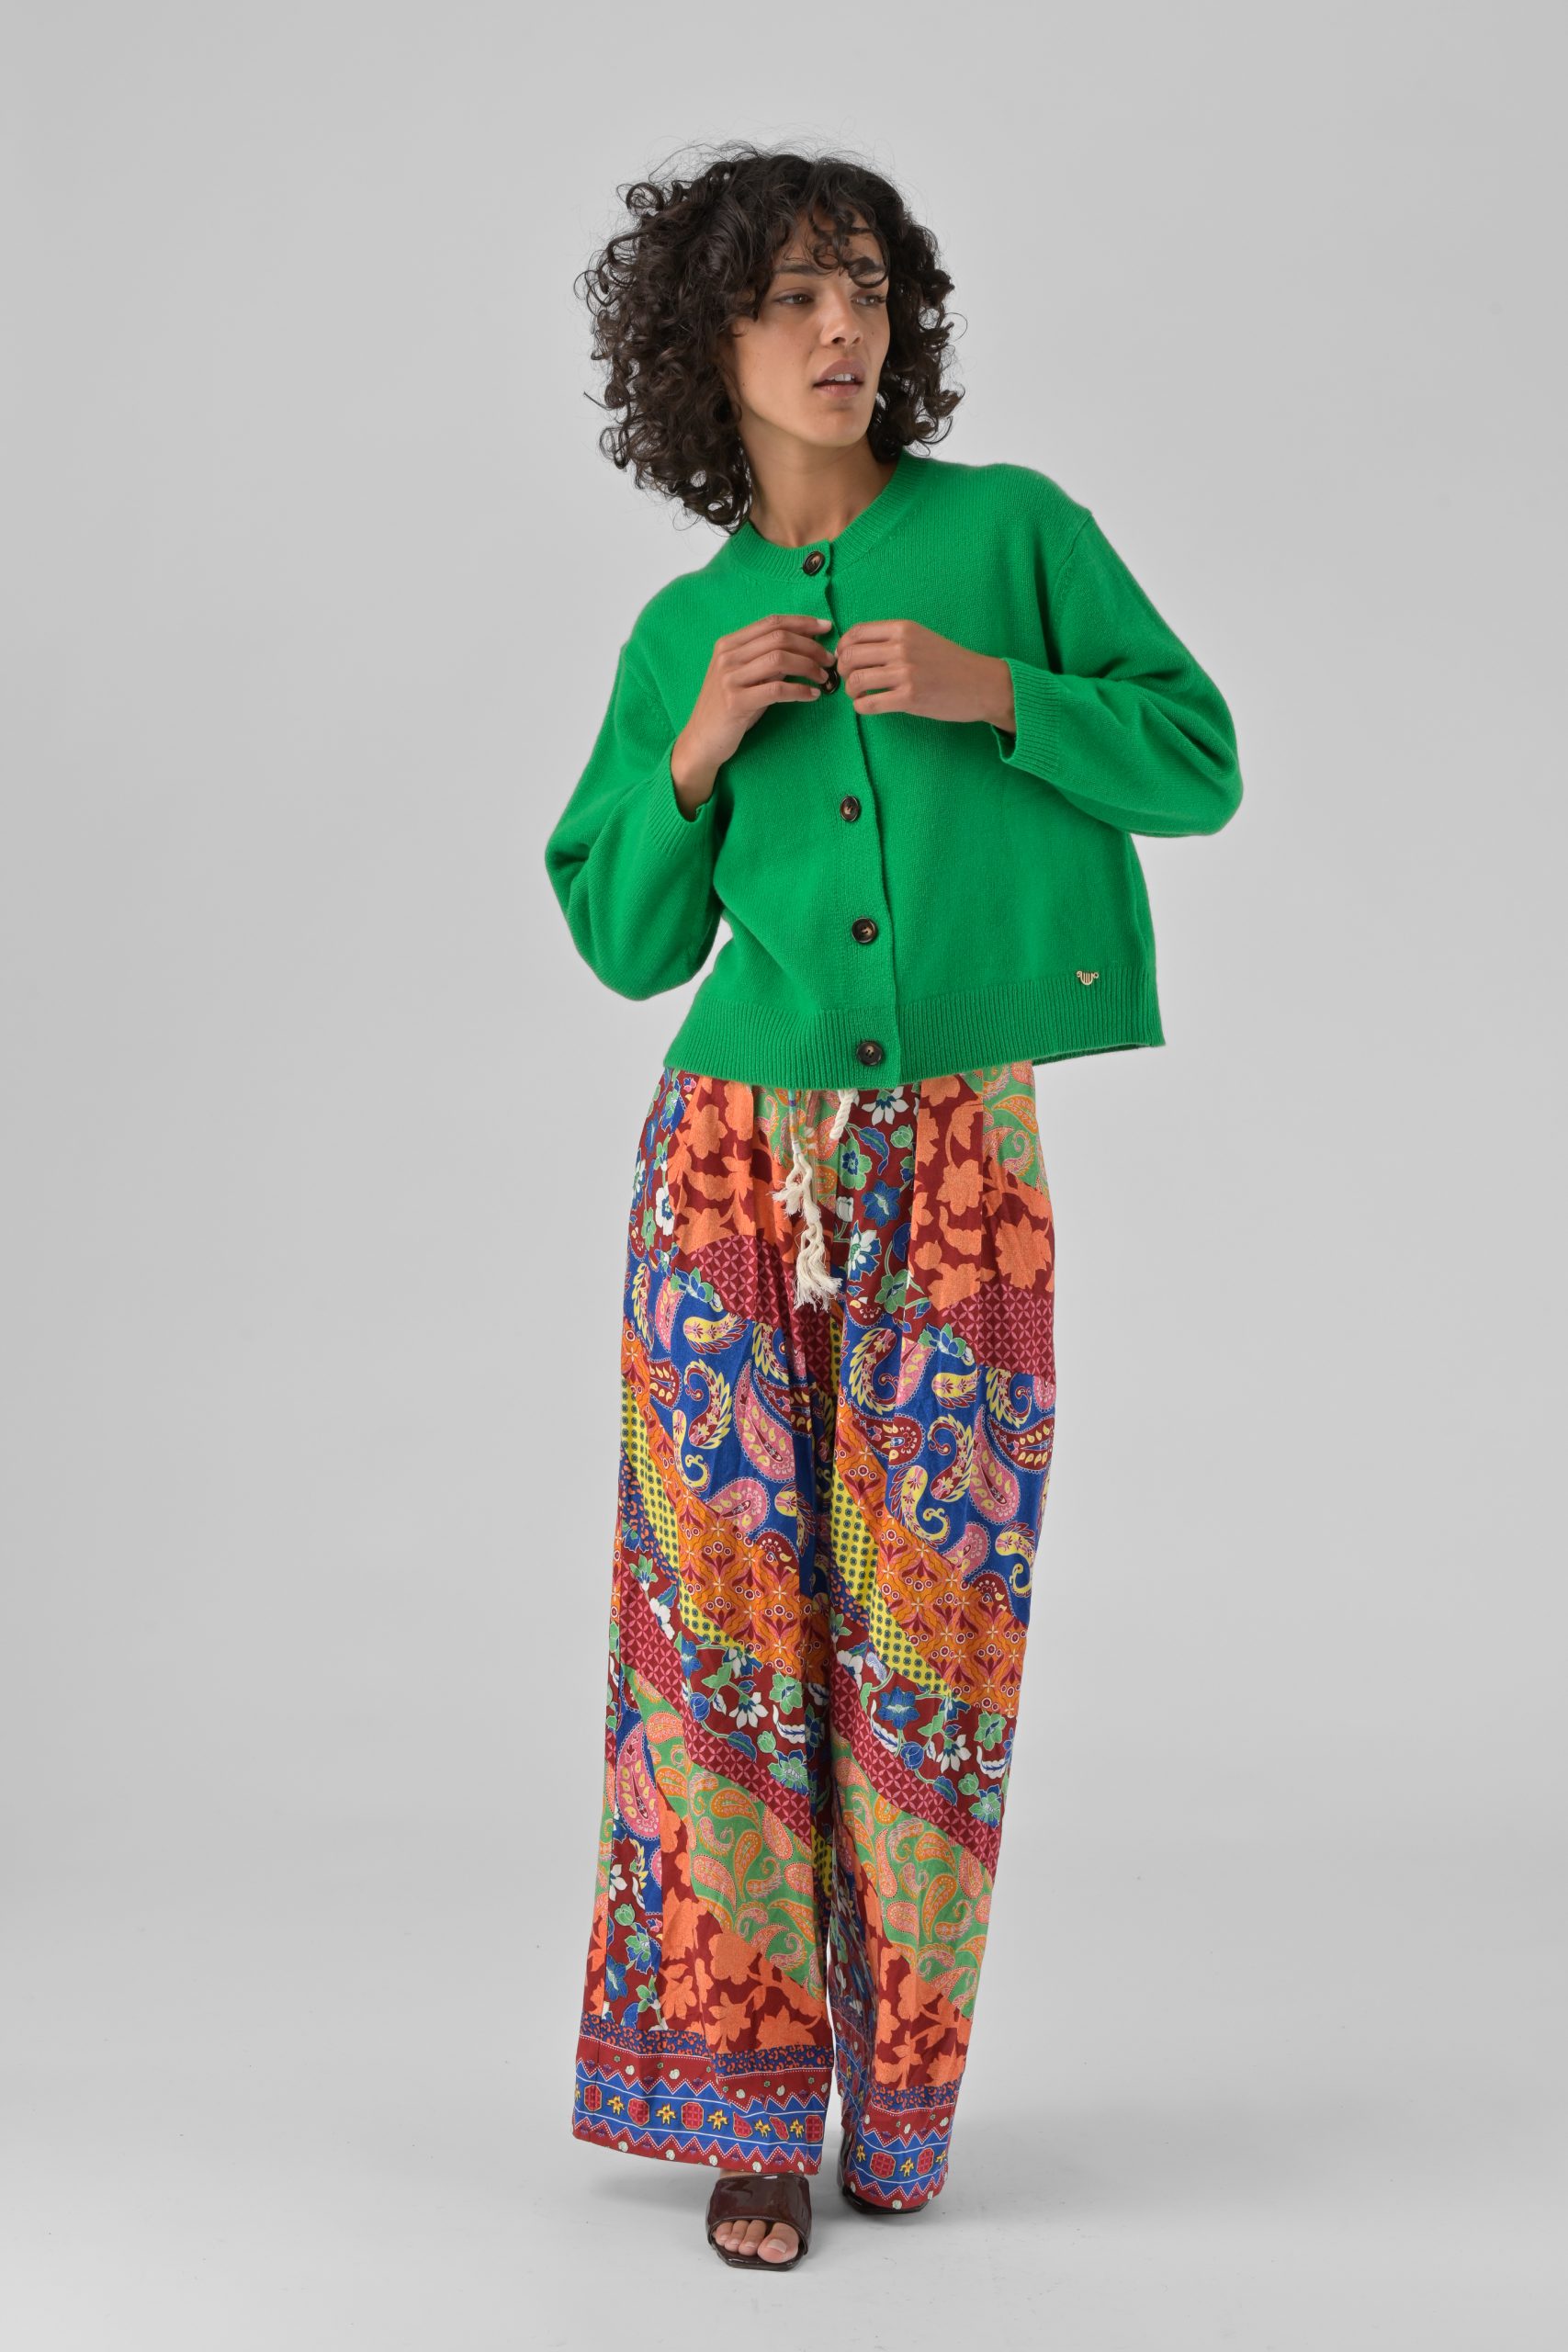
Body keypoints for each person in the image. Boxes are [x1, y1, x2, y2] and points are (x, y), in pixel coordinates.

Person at [543, 141, 1244, 2270]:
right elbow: (621, 935)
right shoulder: (681, 628)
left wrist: (992, 691)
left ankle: (900, 2103)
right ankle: (746, 2116)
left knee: (932, 1638)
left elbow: (1196, 756)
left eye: (857, 284)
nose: (836, 326)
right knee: (719, 1647)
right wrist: (690, 750)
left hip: (954, 1175)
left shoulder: (1009, 533)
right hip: (725, 1167)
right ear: (708, 348)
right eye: (786, 297)